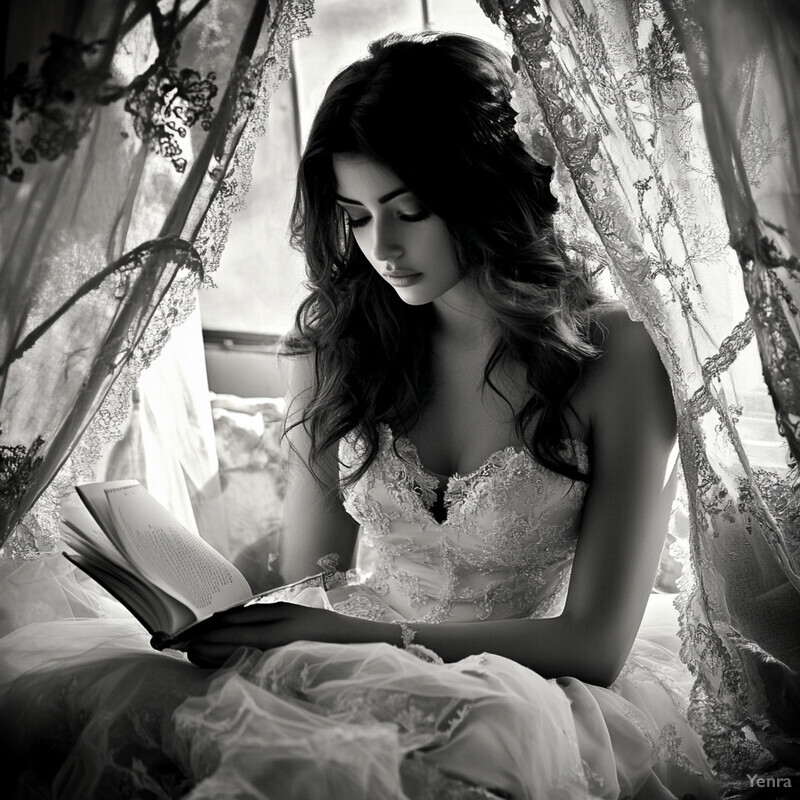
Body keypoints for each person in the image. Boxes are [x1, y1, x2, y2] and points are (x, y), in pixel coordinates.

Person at [0, 31, 719, 800]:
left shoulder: (620, 357)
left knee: (443, 756)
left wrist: (361, 638)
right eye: (356, 215)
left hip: (531, 691)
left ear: (482, 193)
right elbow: (316, 574)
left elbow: (596, 646)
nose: (382, 247)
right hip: (348, 658)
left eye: (408, 210)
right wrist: (212, 610)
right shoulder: (335, 348)